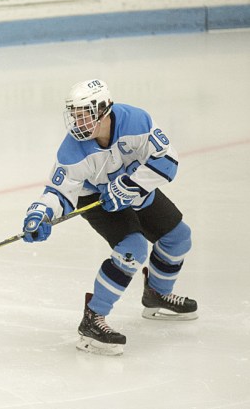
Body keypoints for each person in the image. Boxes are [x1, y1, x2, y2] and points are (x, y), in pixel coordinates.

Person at [21, 79, 197, 356]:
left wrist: (130, 186)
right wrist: (40, 212)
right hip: (97, 198)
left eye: (85, 113)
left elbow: (167, 162)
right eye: (75, 114)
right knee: (133, 250)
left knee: (178, 237)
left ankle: (156, 294)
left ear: (105, 109)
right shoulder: (72, 150)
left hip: (134, 187)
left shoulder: (136, 121)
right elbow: (59, 191)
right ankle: (92, 319)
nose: (78, 122)